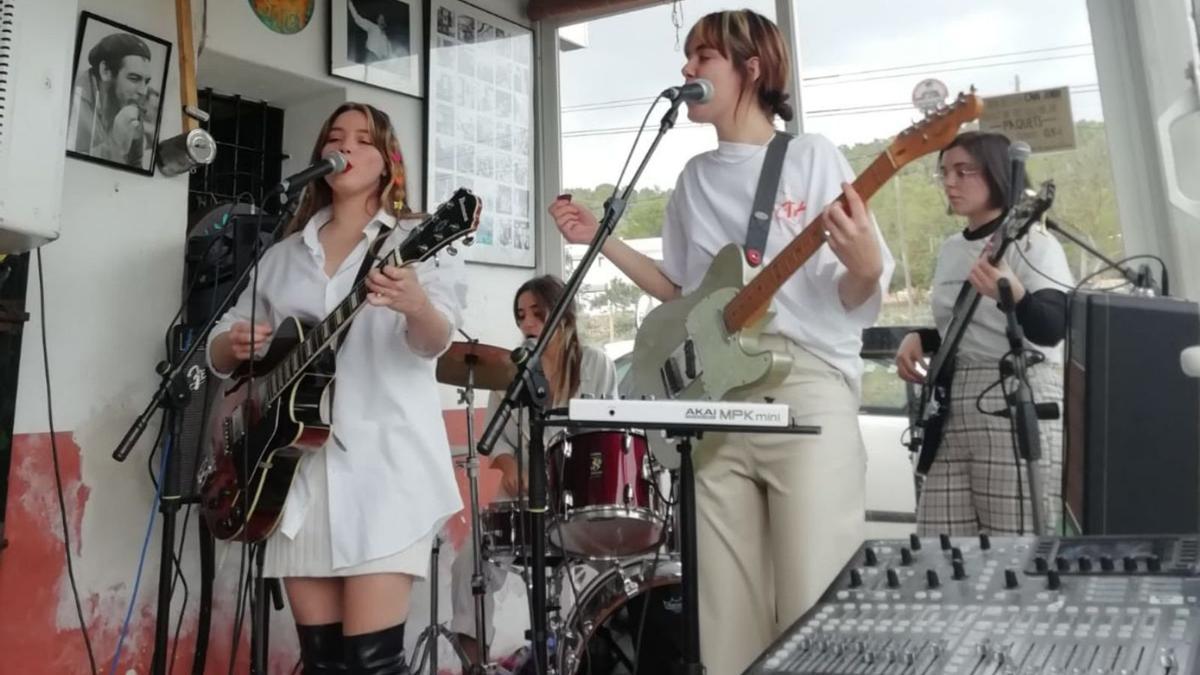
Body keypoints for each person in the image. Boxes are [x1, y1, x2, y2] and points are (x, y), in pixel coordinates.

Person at [549, 10, 894, 674]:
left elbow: (851, 296)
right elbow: (681, 293)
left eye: (702, 57)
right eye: (687, 58)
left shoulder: (811, 156)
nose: (686, 71)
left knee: (812, 598)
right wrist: (600, 235)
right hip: (711, 402)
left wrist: (867, 266)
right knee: (724, 611)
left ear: (751, 68)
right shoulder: (692, 181)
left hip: (806, 391)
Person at [206, 102, 466, 674]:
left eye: (364, 140)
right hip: (292, 481)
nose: (346, 147)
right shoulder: (282, 256)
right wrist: (236, 346)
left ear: (388, 161)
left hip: (386, 474)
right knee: (322, 664)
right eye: (335, 137)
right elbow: (220, 344)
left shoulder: (419, 239)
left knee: (373, 664)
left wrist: (415, 303)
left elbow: (435, 339)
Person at [895, 131, 1072, 537]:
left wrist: (1016, 294)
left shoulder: (1033, 242)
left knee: (1014, 544)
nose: (950, 183)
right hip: (954, 402)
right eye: (943, 173)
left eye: (963, 171)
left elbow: (1052, 327)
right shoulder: (951, 248)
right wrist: (921, 337)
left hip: (1014, 390)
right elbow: (965, 324)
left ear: (996, 173)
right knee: (940, 545)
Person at [449, 274, 617, 665]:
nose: (526, 324)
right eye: (521, 315)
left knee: (598, 573)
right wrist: (509, 466)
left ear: (565, 316)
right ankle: (476, 664)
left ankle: (583, 655)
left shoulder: (595, 365)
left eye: (537, 314)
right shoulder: (508, 369)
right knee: (468, 565)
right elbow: (497, 443)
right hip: (521, 496)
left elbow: (607, 438)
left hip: (577, 497)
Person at [68, 32, 152, 166]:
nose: (143, 91)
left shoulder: (129, 105)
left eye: (146, 81)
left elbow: (136, 166)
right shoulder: (71, 101)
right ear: (105, 70)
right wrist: (115, 143)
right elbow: (68, 166)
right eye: (134, 78)